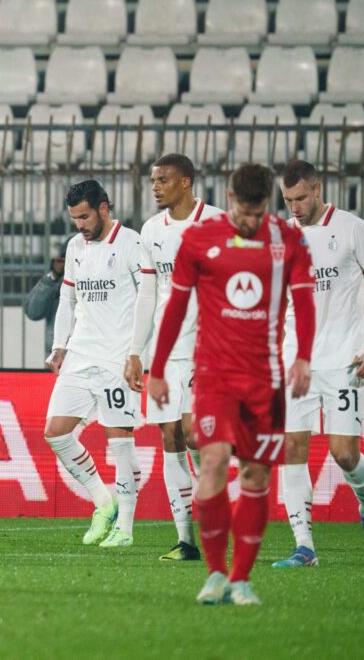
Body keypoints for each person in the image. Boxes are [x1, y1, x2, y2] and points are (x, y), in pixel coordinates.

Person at [149, 163, 316, 605]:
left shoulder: (289, 240)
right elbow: (175, 307)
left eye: (256, 212)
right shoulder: (201, 239)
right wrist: (159, 367)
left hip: (265, 378)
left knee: (256, 474)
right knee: (213, 461)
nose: (247, 220)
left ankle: (241, 578)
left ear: (268, 203)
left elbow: (304, 301)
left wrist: (302, 357)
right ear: (229, 197)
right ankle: (215, 573)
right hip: (214, 375)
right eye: (241, 211)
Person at [273, 160, 364, 569]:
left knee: (344, 455)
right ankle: (304, 547)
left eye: (301, 198)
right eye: (288, 200)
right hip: (298, 362)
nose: (295, 207)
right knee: (293, 447)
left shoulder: (352, 228)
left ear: (318, 188)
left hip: (344, 358)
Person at [127, 153, 224, 562]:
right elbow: (149, 293)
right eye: (153, 181)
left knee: (196, 434)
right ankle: (186, 539)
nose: (155, 187)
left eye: (163, 180)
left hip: (208, 349)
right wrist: (135, 350)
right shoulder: (151, 231)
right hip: (167, 351)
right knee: (170, 437)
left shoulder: (217, 224)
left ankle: (215, 505)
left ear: (186, 182)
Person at [44, 180, 144, 548]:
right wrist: (59, 346)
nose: (79, 225)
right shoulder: (75, 247)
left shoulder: (132, 244)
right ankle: (104, 500)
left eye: (84, 216)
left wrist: (138, 353)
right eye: (73, 219)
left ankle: (127, 529)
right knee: (55, 432)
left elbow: (149, 300)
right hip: (81, 354)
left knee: (120, 444)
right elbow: (67, 298)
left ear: (104, 208)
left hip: (118, 359)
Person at [24, 240, 68, 355]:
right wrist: (53, 277)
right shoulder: (53, 282)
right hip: (57, 355)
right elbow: (33, 312)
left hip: (87, 353)